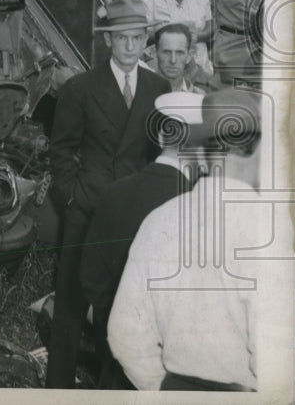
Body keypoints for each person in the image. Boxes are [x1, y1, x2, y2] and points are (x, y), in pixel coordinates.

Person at [44, 0, 171, 388]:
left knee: (121, 303)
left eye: (137, 38)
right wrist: (72, 198)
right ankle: (59, 389)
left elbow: (156, 150)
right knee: (70, 302)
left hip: (132, 214)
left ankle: (109, 387)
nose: (130, 47)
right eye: (122, 39)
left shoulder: (158, 87)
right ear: (108, 41)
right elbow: (61, 149)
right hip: (88, 207)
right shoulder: (81, 87)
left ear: (145, 40)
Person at [108, 88, 262, 391]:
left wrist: (162, 388)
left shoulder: (158, 220)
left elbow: (124, 332)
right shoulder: (270, 229)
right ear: (259, 154)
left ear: (202, 156)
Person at [79, 91, 203, 388]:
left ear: (161, 138)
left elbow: (90, 279)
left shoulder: (114, 192)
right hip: (174, 373)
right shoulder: (198, 208)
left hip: (115, 359)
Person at [143, 0, 213, 82]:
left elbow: (210, 28)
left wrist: (197, 36)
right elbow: (143, 38)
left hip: (198, 64)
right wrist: (167, 34)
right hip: (165, 67)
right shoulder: (151, 1)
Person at [152, 23, 205, 92]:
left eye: (179, 53)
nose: (173, 60)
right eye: (167, 52)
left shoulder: (199, 97)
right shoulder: (137, 94)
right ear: (155, 54)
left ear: (189, 56)